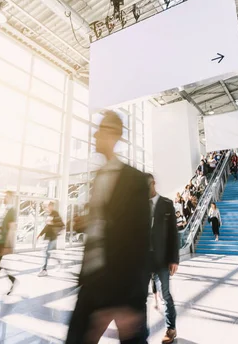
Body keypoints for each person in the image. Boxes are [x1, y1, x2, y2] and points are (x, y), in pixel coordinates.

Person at [66, 111, 150, 344]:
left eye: (101, 129)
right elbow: (106, 227)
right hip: (94, 279)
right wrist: (87, 224)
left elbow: (140, 240)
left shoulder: (134, 180)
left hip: (121, 285)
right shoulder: (99, 177)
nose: (95, 134)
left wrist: (131, 301)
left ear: (114, 134)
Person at [147, 174, 179, 343]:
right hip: (144, 260)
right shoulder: (140, 207)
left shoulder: (166, 204)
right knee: (137, 296)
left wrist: (174, 259)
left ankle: (171, 328)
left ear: (153, 184)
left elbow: (174, 234)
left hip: (162, 259)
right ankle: (138, 332)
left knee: (165, 294)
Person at [38, 201, 65, 277]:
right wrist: (40, 234)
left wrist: (53, 224)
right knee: (48, 253)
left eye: (50, 206)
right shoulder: (49, 214)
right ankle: (59, 262)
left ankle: (44, 270)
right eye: (48, 206)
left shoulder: (55, 214)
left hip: (53, 237)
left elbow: (62, 224)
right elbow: (47, 226)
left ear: (52, 206)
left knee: (47, 252)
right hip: (48, 236)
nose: (49, 207)